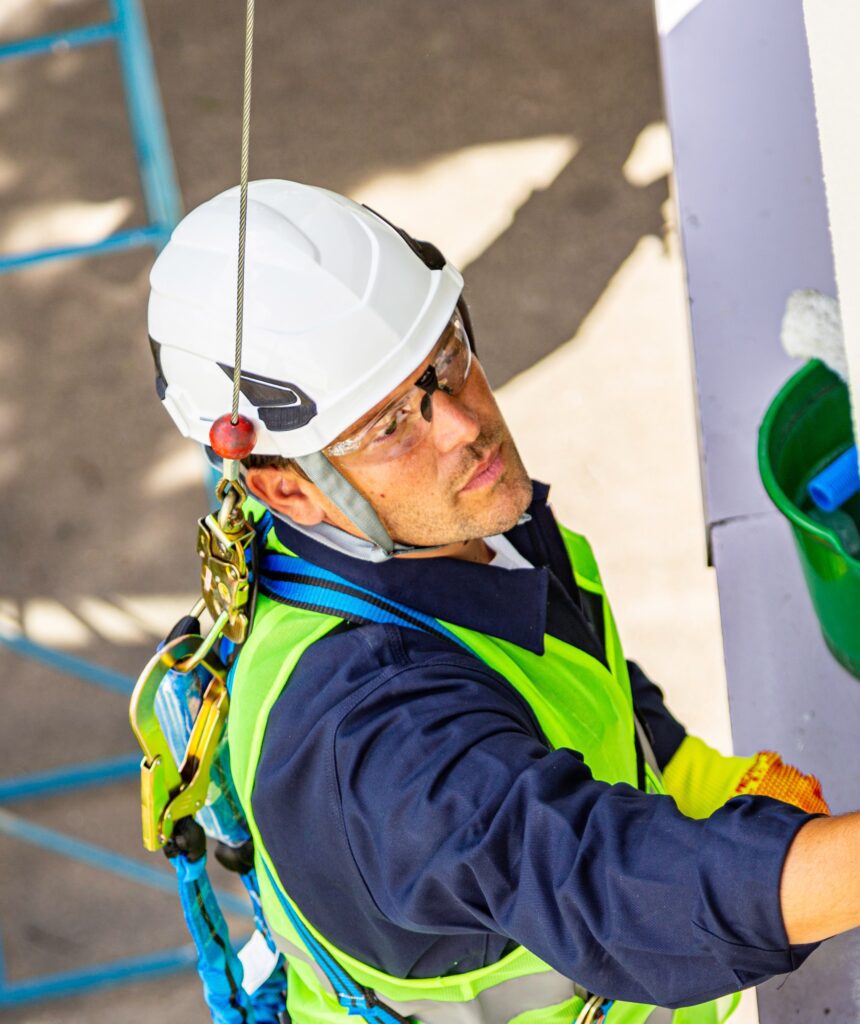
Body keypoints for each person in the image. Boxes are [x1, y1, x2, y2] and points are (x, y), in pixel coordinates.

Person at [148, 180, 847, 1024]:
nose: (460, 424)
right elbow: (609, 887)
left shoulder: (444, 528)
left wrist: (709, 786)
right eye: (385, 426)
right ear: (284, 489)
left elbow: (591, 700)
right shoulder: (379, 743)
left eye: (444, 359)